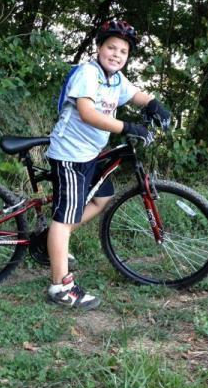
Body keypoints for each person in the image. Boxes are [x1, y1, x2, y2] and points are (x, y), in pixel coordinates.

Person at [46, 20, 170, 309]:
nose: (116, 54)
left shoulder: (115, 79)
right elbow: (87, 113)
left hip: (90, 153)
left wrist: (155, 106)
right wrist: (127, 126)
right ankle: (59, 287)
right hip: (70, 154)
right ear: (99, 48)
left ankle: (53, 244)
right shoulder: (88, 74)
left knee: (102, 198)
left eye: (123, 51)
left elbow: (137, 95)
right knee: (64, 219)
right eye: (111, 47)